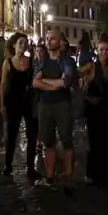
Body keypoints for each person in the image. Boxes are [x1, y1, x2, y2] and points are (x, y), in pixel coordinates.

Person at [33, 28, 75, 190]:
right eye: (47, 38)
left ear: (60, 41)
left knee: (66, 139)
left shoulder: (67, 61)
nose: (49, 41)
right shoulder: (42, 61)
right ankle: (49, 177)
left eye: (52, 39)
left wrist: (46, 82)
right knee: (48, 141)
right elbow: (35, 83)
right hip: (45, 105)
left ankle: (68, 174)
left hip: (62, 104)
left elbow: (65, 82)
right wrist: (54, 85)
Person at [81, 39, 108, 190]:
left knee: (105, 142)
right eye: (102, 49)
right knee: (95, 142)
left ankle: (99, 175)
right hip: (94, 110)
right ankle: (104, 176)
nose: (104, 52)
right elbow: (76, 78)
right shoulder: (92, 66)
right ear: (97, 50)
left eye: (107, 50)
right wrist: (86, 95)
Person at [0, 33, 38, 179]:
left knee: (32, 134)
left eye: (25, 42)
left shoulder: (31, 62)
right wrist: (2, 104)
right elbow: (3, 85)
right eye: (20, 43)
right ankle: (8, 165)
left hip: (28, 102)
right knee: (11, 134)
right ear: (14, 45)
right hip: (12, 102)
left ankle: (30, 167)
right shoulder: (7, 63)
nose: (23, 45)